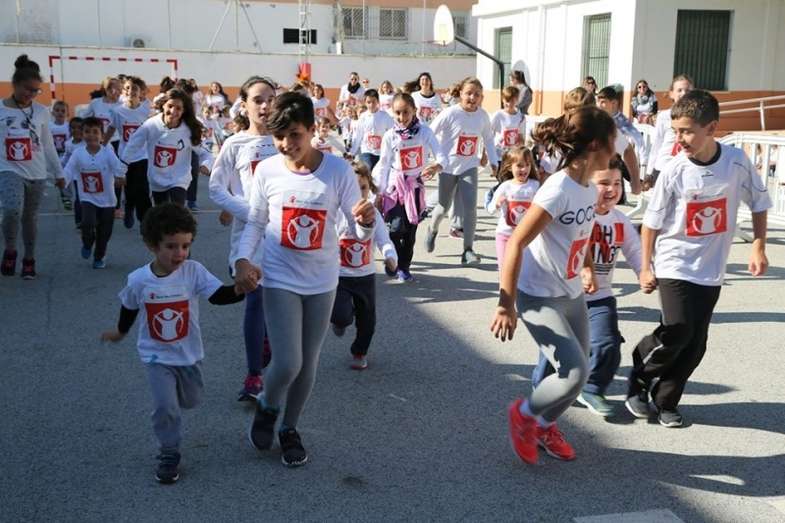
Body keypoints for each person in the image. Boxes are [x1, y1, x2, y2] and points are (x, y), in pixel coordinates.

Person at [233, 92, 376, 467]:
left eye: (294, 134)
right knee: (287, 362)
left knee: (308, 362)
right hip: (279, 277)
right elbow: (256, 222)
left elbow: (355, 228)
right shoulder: (267, 170)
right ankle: (268, 405)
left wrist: (366, 223)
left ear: (313, 130)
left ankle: (289, 428)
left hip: (322, 281)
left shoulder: (337, 171)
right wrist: (242, 259)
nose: (286, 144)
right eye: (279, 136)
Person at [626, 90, 771, 428]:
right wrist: (645, 267)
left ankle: (666, 401)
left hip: (711, 269)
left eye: (687, 131)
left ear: (712, 128)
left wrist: (758, 246)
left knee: (695, 344)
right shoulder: (675, 169)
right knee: (678, 328)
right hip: (674, 261)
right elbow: (651, 224)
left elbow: (759, 202)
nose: (680, 138)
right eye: (676, 131)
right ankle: (639, 374)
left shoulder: (736, 162)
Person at [490, 106, 617, 465]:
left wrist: (587, 267)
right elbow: (517, 241)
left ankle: (544, 426)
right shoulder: (558, 188)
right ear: (596, 145)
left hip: (571, 291)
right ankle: (524, 415)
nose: (616, 148)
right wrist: (506, 304)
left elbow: (582, 233)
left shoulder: (588, 188)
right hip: (538, 294)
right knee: (572, 373)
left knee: (580, 373)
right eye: (612, 141)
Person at [101, 203, 245, 484]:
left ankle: (175, 406)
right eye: (171, 246)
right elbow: (129, 306)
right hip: (156, 357)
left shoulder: (194, 271)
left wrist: (240, 290)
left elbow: (218, 296)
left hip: (189, 355)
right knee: (165, 406)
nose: (179, 253)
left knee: (191, 400)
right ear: (152, 245)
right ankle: (169, 451)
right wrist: (120, 332)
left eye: (185, 246)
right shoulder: (139, 280)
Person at [531, 155, 642, 417]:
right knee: (557, 350)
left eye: (617, 183)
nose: (612, 189)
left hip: (600, 296)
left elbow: (634, 249)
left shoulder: (620, 220)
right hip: (564, 294)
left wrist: (644, 271)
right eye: (604, 183)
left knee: (608, 342)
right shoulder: (577, 214)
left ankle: (592, 388)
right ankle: (543, 388)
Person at [209, 76, 278, 401]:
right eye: (258, 100)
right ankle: (254, 376)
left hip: (285, 234)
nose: (265, 106)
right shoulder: (235, 144)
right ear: (244, 105)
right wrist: (249, 211)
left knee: (277, 301)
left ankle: (268, 339)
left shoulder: (286, 139)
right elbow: (215, 187)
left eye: (270, 99)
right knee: (255, 297)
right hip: (250, 236)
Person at [0, 55, 63, 279]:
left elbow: (48, 145)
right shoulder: (1, 109)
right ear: (15, 84)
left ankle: (29, 258)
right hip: (8, 168)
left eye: (36, 91)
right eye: (28, 89)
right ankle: (10, 249)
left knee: (29, 217)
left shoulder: (41, 111)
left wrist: (58, 172)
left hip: (36, 172)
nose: (31, 94)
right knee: (11, 209)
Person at [331, 161, 397, 369]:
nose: (359, 193)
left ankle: (359, 352)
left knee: (367, 320)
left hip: (365, 276)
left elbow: (384, 240)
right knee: (340, 315)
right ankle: (340, 322)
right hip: (339, 275)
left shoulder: (374, 214)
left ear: (370, 188)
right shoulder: (336, 213)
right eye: (353, 188)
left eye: (363, 188)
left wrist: (390, 256)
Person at [426, 76, 499, 265]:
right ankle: (432, 229)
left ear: (481, 97)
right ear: (460, 94)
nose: (472, 98)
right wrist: (432, 160)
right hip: (448, 167)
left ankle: (468, 250)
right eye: (469, 93)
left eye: (477, 94)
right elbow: (429, 134)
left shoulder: (483, 116)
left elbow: (488, 139)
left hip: (469, 167)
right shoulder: (450, 113)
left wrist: (494, 161)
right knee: (443, 207)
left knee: (470, 207)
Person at [377, 92, 446, 282]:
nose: (402, 117)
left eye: (406, 112)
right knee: (395, 229)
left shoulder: (425, 132)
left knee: (410, 232)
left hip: (415, 188)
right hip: (395, 188)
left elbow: (441, 155)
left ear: (414, 110)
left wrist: (437, 166)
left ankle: (404, 267)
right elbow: (383, 164)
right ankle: (393, 260)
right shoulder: (390, 136)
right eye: (397, 113)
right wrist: (379, 192)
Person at [121, 88, 212, 206]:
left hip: (179, 179)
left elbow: (205, 152)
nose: (173, 111)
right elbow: (133, 145)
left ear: (183, 111)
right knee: (161, 212)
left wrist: (206, 165)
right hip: (157, 178)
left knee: (176, 209)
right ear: (163, 105)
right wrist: (121, 169)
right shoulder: (151, 125)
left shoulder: (188, 130)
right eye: (170, 106)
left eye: (178, 108)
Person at [58, 117, 127, 268]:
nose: (91, 135)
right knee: (87, 223)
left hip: (108, 200)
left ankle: (99, 257)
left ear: (102, 135)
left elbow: (117, 167)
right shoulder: (78, 153)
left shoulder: (108, 152)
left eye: (95, 132)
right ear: (82, 134)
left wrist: (120, 177)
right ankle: (87, 242)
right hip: (88, 198)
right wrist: (63, 180)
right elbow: (69, 169)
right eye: (87, 131)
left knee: (105, 232)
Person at [106, 76, 153, 228]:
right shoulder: (117, 111)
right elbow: (111, 128)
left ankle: (145, 220)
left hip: (143, 156)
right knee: (130, 188)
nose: (130, 91)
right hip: (125, 157)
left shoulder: (146, 109)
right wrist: (102, 144)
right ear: (123, 91)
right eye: (127, 88)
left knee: (143, 189)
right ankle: (129, 207)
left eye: (134, 88)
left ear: (141, 92)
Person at [485, 146, 539, 271]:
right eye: (519, 166)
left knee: (523, 271)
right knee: (505, 270)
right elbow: (491, 209)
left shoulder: (535, 186)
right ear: (510, 167)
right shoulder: (505, 186)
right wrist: (497, 204)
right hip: (505, 234)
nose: (524, 169)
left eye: (527, 165)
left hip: (526, 236)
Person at [645, 74, 693, 188]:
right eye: (679, 90)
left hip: (686, 169)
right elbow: (657, 144)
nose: (684, 93)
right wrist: (649, 172)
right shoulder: (664, 116)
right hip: (663, 168)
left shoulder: (697, 118)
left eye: (688, 90)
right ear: (671, 93)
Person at [596, 84, 642, 196]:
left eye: (603, 102)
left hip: (607, 181)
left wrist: (635, 180)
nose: (599, 105)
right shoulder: (592, 122)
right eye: (598, 101)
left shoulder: (612, 125)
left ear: (614, 103)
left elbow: (627, 150)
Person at [349, 89, 394, 172]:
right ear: (365, 103)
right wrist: (352, 152)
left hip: (382, 152)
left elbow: (392, 132)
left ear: (378, 101)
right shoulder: (363, 117)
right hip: (367, 150)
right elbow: (358, 135)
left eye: (374, 101)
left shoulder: (385, 116)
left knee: (379, 173)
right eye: (369, 102)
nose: (371, 104)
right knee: (367, 169)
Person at [490, 86, 526, 164]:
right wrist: (488, 152)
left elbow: (521, 136)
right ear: (503, 99)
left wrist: (520, 150)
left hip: (513, 155)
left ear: (517, 100)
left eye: (512, 101)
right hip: (499, 154)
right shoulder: (498, 115)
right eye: (507, 100)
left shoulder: (521, 117)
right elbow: (489, 134)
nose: (509, 104)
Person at [50, 100, 72, 210]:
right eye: (57, 110)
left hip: (66, 155)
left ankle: (69, 196)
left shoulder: (69, 127)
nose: (60, 113)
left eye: (63, 111)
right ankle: (65, 197)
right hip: (54, 155)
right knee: (60, 176)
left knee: (67, 176)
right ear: (53, 112)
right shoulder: (49, 126)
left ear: (67, 113)